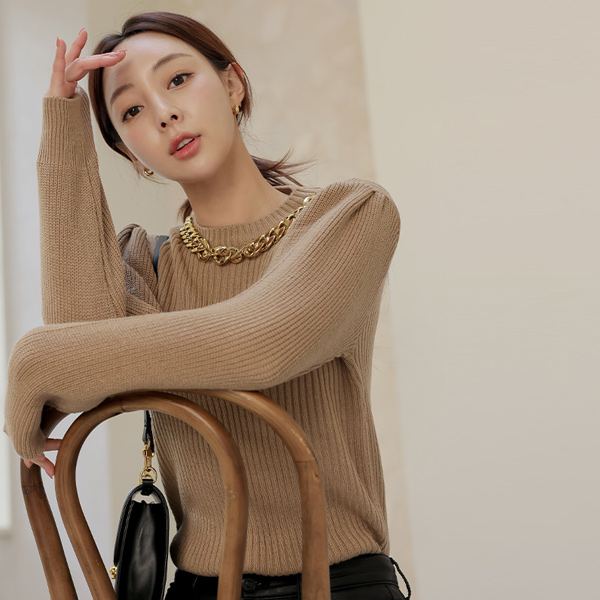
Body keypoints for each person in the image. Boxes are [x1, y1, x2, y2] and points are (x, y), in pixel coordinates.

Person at [3, 11, 409, 600]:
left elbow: (261, 345)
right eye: (131, 111)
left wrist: (34, 357)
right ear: (131, 154)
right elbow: (77, 364)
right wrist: (66, 122)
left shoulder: (348, 218)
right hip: (197, 588)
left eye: (177, 80)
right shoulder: (145, 264)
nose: (163, 113)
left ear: (232, 84)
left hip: (338, 587)